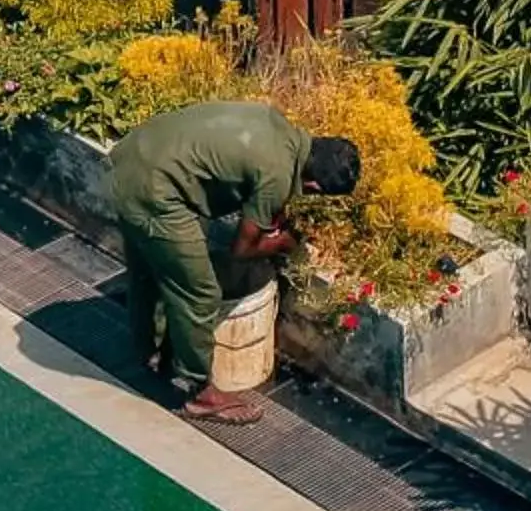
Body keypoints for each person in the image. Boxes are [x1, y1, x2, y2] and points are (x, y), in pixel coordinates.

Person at [107, 96, 363, 424]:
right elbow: (241, 251)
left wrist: (273, 211)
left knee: (150, 268)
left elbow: (251, 179)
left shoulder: (278, 127)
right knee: (200, 293)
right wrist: (286, 242)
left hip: (131, 158)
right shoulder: (278, 176)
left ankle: (150, 350)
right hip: (152, 192)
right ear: (313, 185)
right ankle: (201, 394)